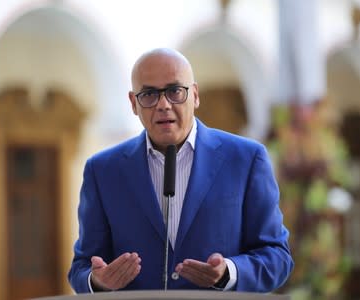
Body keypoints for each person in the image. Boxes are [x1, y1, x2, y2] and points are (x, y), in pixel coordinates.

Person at [68, 48, 293, 293]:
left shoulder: (247, 159)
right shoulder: (102, 171)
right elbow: (81, 267)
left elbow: (277, 257)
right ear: (133, 103)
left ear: (195, 95)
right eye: (149, 94)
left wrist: (228, 272)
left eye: (175, 91)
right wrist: (98, 281)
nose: (163, 105)